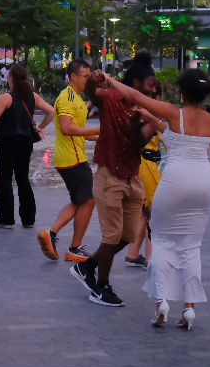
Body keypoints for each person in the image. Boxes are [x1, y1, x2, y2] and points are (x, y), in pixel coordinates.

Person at [119, 69, 210, 330]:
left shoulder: (175, 113)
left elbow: (133, 95)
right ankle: (189, 309)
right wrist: (151, 120)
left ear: (182, 92)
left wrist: (107, 80)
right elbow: (177, 138)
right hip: (204, 183)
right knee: (191, 247)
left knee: (162, 242)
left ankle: (161, 304)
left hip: (176, 181)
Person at [65, 71, 153, 308]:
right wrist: (94, 80)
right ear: (135, 84)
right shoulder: (112, 98)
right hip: (108, 176)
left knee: (127, 237)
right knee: (111, 236)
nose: (153, 93)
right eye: (150, 87)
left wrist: (137, 123)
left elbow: (139, 144)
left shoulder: (149, 113)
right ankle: (100, 287)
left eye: (157, 91)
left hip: (132, 178)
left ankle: (87, 267)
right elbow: (92, 92)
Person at [38, 60, 98, 260]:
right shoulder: (67, 98)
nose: (88, 79)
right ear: (73, 76)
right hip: (71, 158)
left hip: (73, 156)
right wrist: (97, 129)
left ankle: (51, 233)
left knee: (79, 200)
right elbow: (66, 128)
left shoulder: (78, 99)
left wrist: (101, 137)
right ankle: (74, 248)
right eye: (85, 76)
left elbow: (79, 132)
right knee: (89, 200)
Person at [0, 64, 54, 230]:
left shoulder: (5, 98)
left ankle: (6, 219)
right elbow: (51, 111)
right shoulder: (33, 96)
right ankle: (28, 218)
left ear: (10, 78)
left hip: (7, 142)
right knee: (23, 178)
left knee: (6, 179)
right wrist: (40, 127)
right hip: (26, 141)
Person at [121, 54, 163, 267]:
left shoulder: (140, 108)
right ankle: (153, 260)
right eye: (152, 86)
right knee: (154, 213)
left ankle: (133, 253)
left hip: (144, 163)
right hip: (145, 164)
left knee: (143, 213)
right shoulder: (147, 110)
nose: (154, 91)